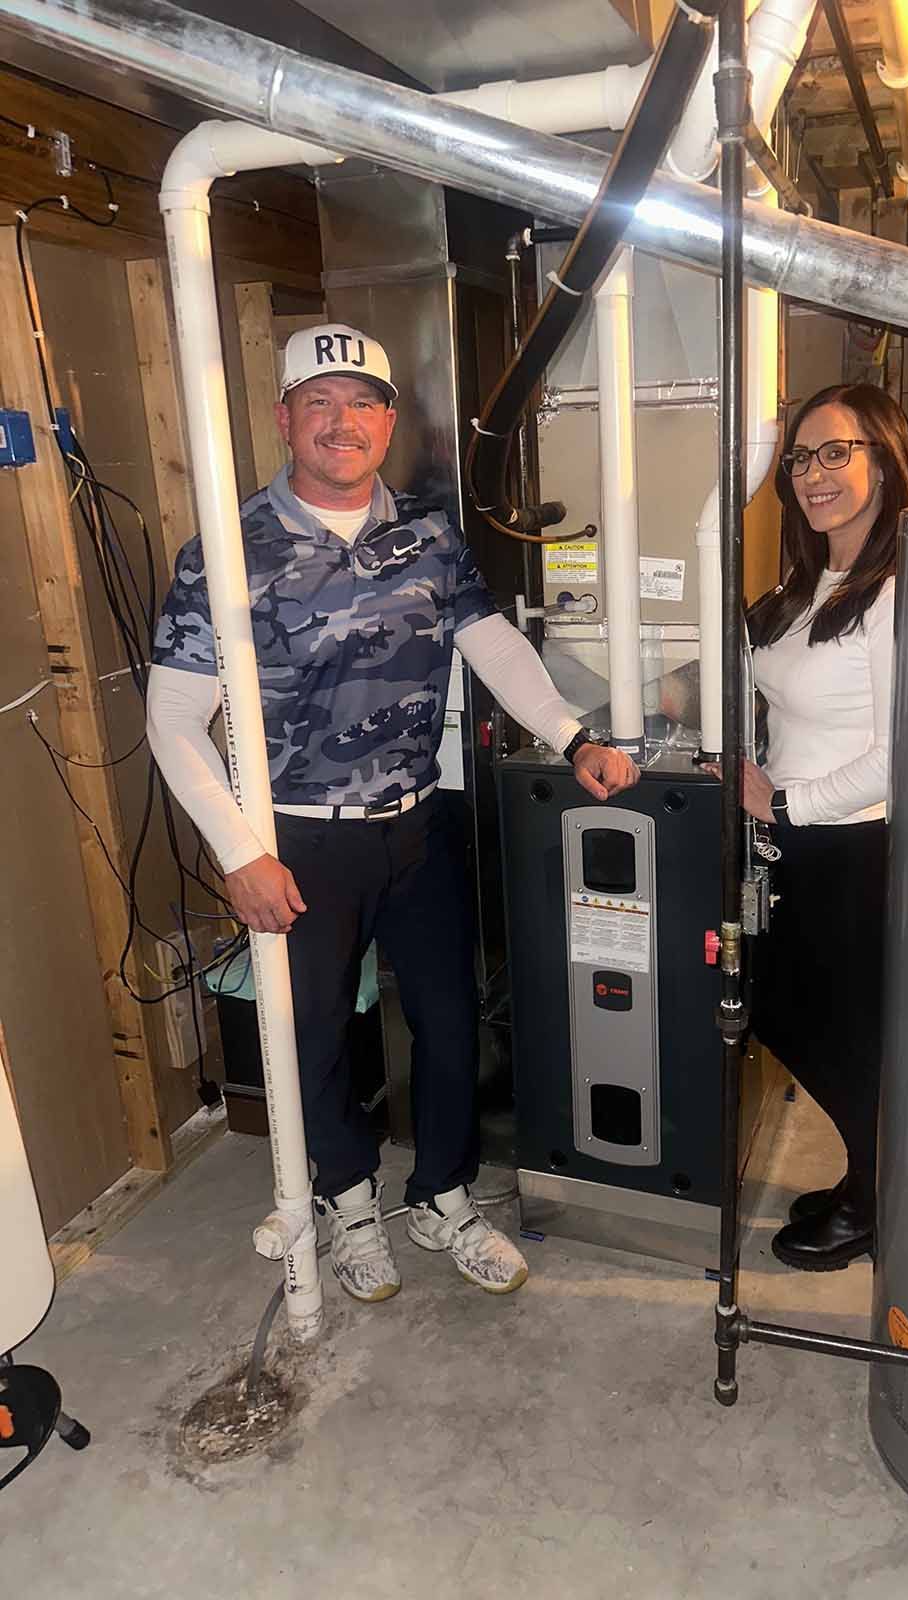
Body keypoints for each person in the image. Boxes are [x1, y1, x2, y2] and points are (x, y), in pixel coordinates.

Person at [147, 323, 637, 1303]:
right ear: (285, 418)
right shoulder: (229, 549)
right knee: (321, 1033)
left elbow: (493, 644)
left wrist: (573, 735)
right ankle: (347, 1203)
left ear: (387, 418)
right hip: (301, 837)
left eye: (360, 402)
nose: (341, 422)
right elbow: (170, 721)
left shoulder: (428, 532)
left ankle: (444, 1197)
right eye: (318, 403)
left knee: (452, 1025)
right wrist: (242, 851)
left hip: (419, 823)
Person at [741, 383, 908, 1272]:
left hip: (850, 845)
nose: (815, 474)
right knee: (783, 1009)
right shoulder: (813, 580)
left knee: (842, 1033)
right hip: (798, 847)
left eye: (837, 452)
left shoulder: (893, 592)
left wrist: (780, 804)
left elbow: (900, 755)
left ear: (884, 458)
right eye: (801, 457)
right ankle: (866, 1182)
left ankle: (876, 1201)